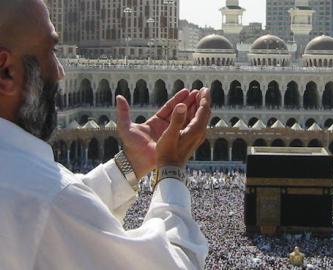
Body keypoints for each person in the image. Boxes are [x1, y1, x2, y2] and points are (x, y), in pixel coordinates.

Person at [0, 0, 211, 269]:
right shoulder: (46, 199)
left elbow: (46, 221)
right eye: (51, 52)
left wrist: (130, 164)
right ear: (6, 71)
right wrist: (170, 169)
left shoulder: (38, 197)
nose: (61, 72)